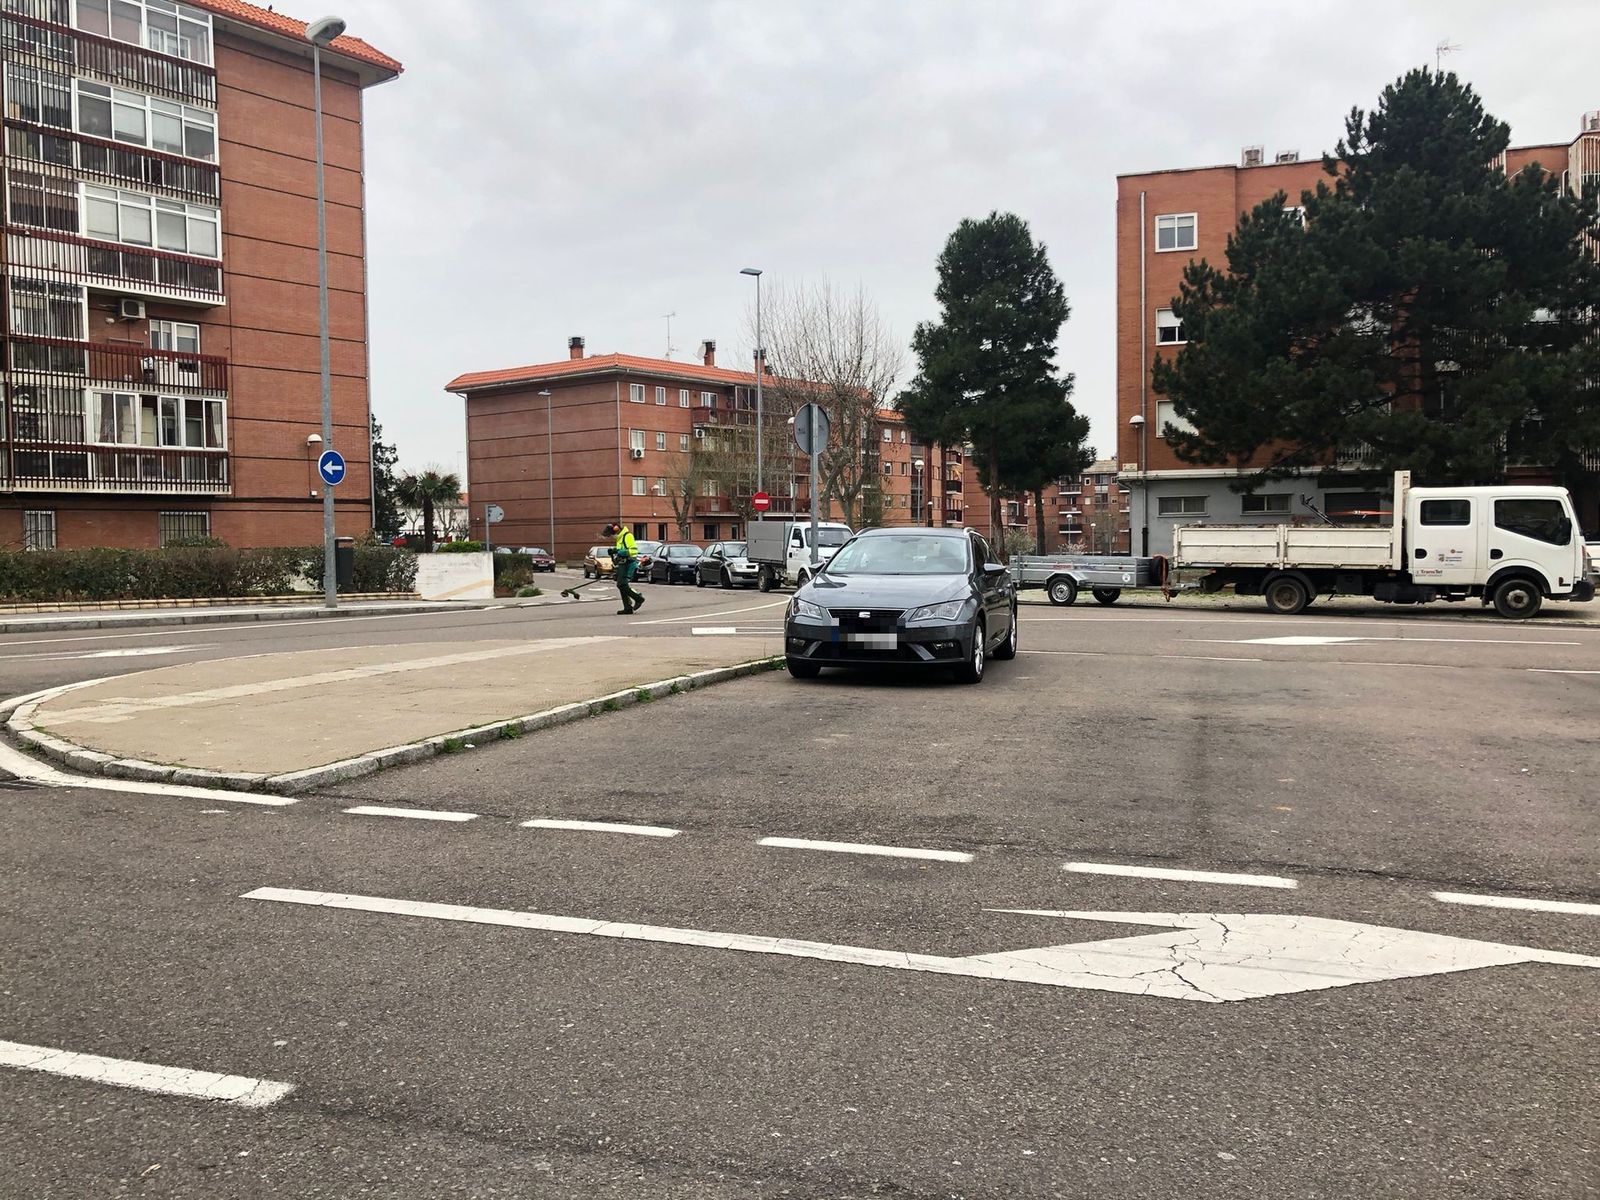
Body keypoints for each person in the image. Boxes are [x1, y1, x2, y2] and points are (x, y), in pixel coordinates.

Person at [604, 523, 646, 615]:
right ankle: (627, 607)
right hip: (622, 563)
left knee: (622, 584)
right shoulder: (620, 539)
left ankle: (638, 599)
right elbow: (620, 550)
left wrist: (619, 552)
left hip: (629, 563)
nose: (612, 537)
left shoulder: (628, 536)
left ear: (617, 530)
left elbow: (633, 550)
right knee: (621, 585)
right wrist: (614, 551)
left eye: (612, 534)